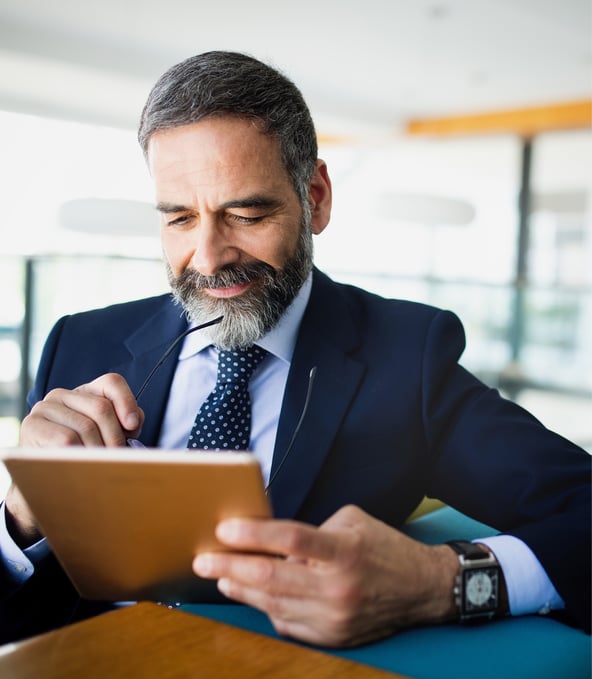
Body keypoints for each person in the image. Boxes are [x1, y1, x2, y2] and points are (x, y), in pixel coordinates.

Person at [1, 51, 590, 647]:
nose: (208, 258)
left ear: (317, 196)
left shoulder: (406, 359)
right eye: (179, 218)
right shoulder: (78, 342)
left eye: (247, 213)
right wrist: (19, 522)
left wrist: (439, 582)